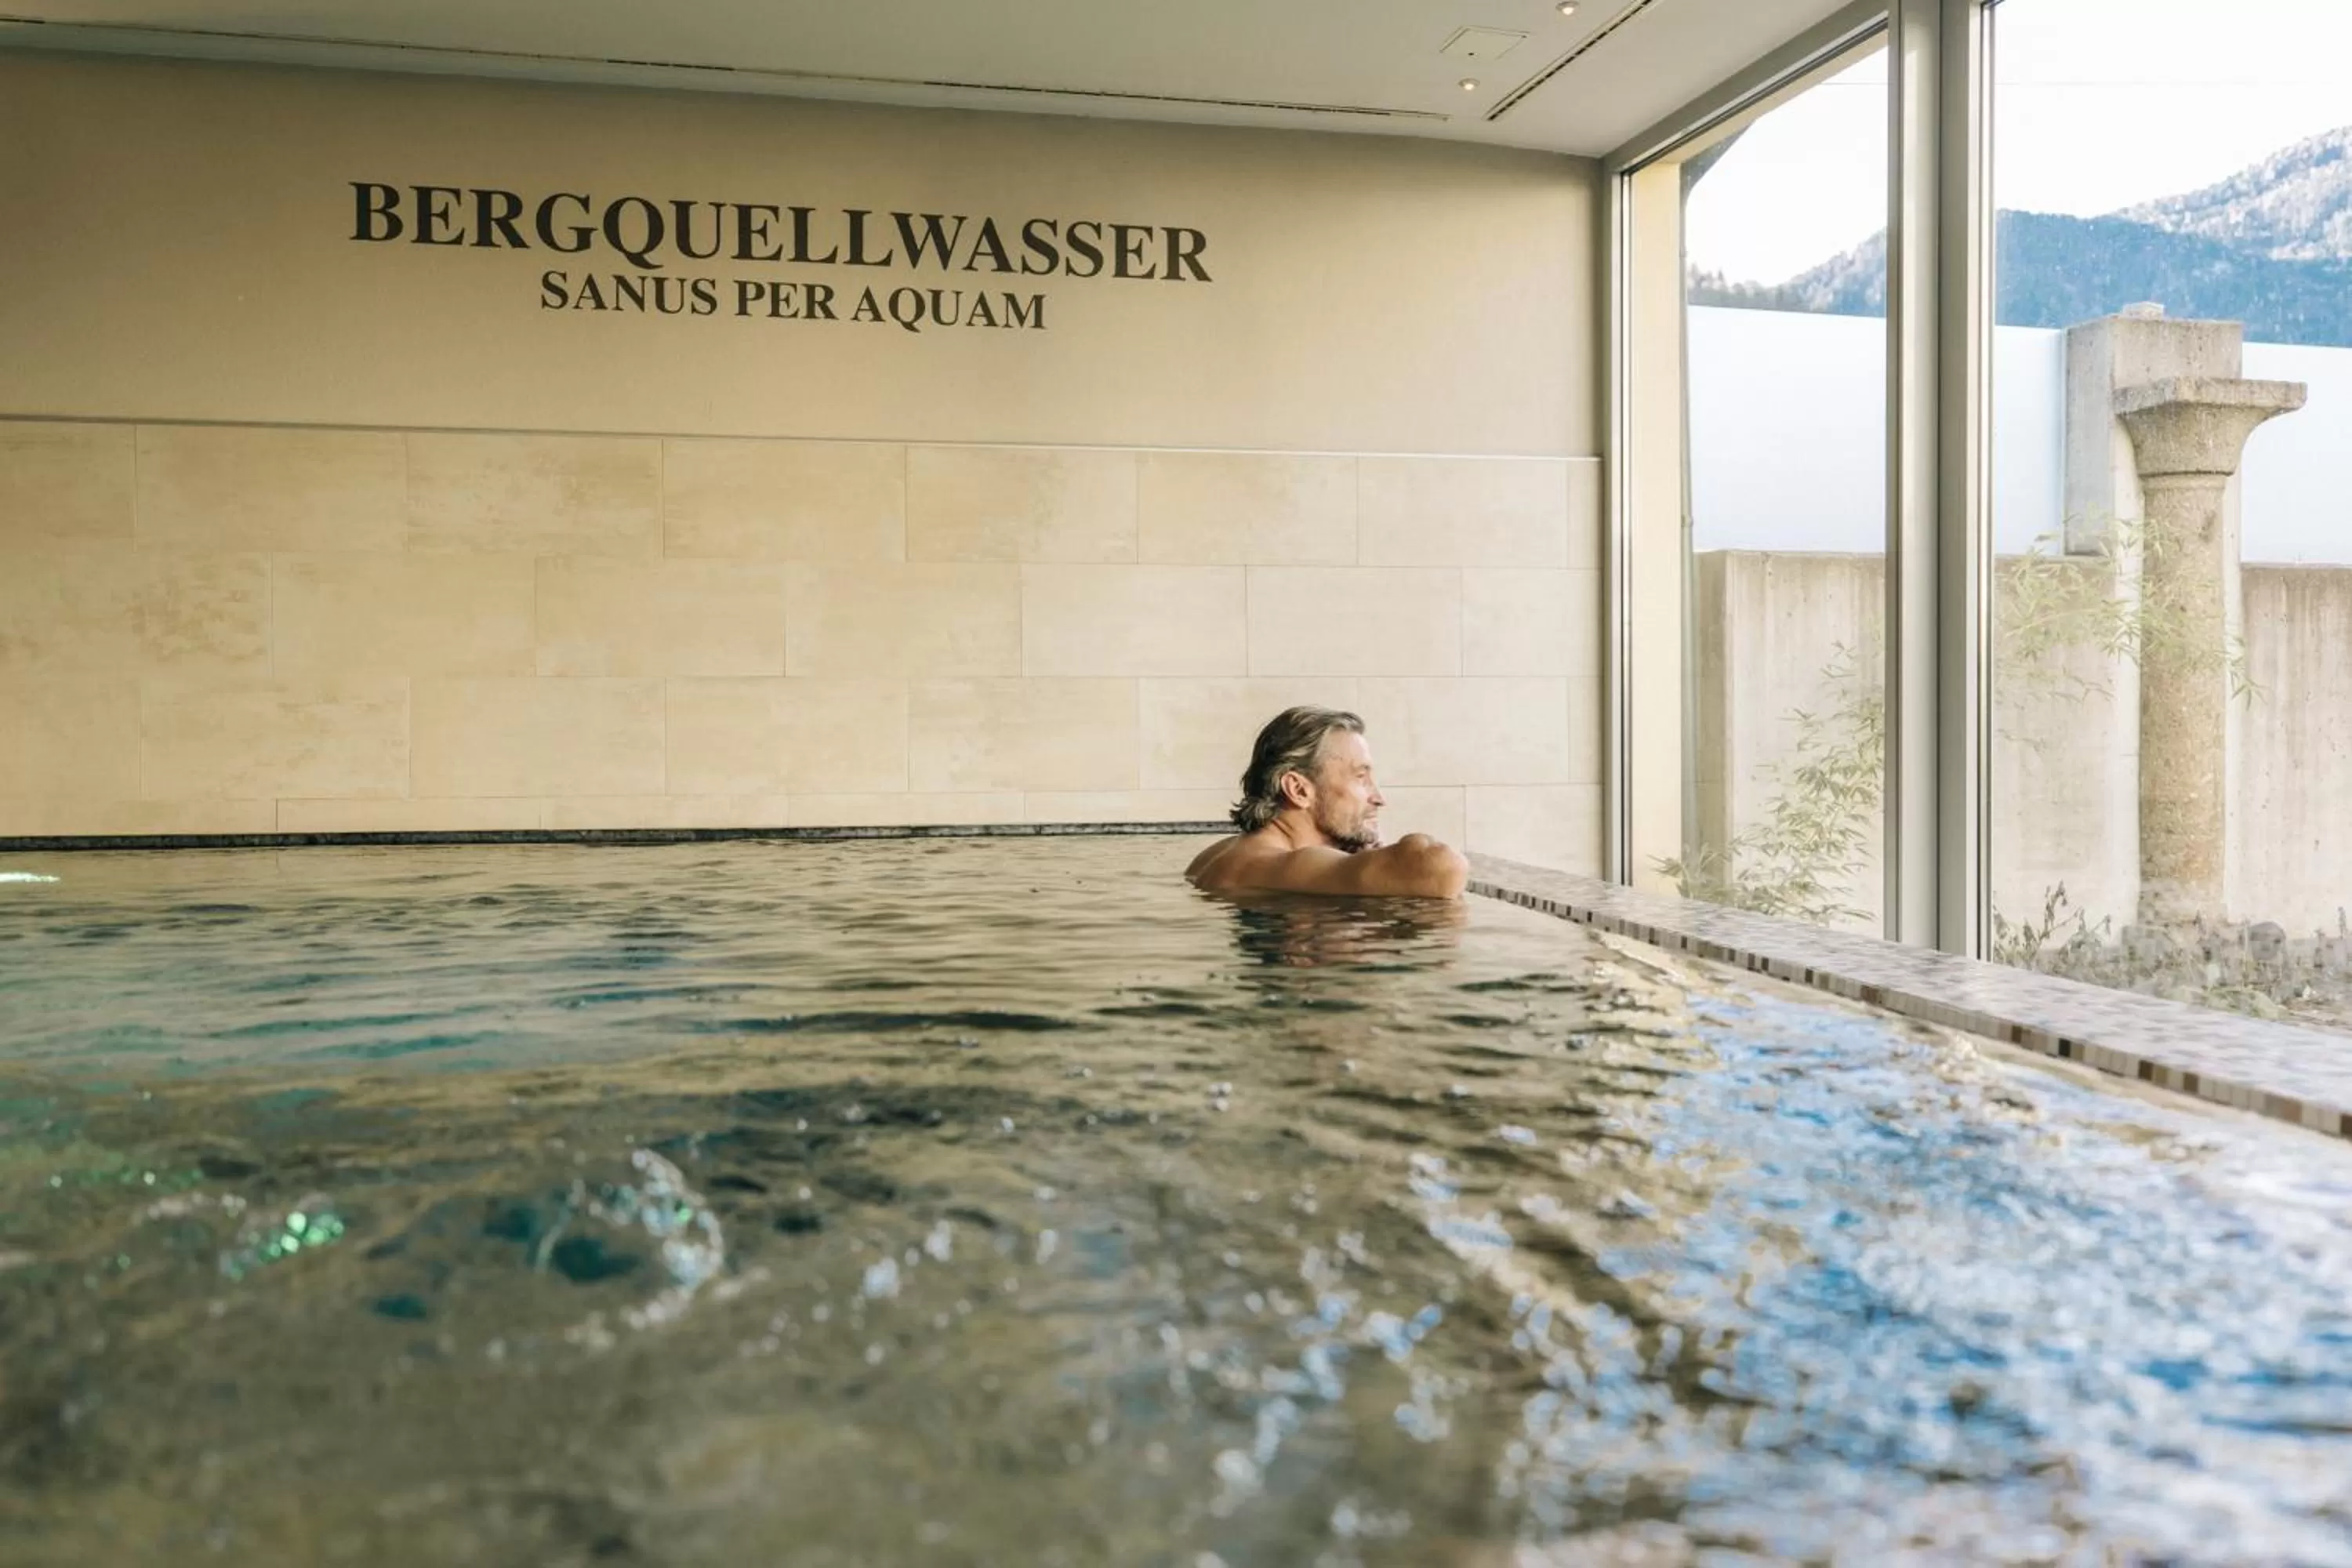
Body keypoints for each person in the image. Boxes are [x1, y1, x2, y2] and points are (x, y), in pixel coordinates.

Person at [1185, 706, 1468, 898]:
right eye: (1361, 777)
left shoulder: (1217, 856)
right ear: (1298, 789)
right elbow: (1442, 867)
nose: (1379, 798)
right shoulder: (1290, 865)